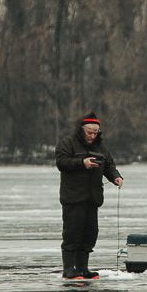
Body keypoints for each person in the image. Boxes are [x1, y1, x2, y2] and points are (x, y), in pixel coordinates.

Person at [55, 112, 123, 279]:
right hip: (73, 198)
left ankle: (83, 268)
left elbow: (109, 165)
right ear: (82, 129)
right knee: (72, 234)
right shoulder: (68, 143)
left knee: (90, 234)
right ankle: (69, 269)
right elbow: (61, 163)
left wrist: (116, 177)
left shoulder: (101, 148)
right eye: (89, 132)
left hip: (93, 198)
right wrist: (82, 162)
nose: (92, 135)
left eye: (95, 132)